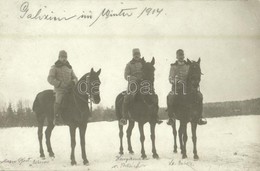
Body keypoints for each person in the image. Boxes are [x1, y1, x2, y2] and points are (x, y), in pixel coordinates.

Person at [119, 48, 162, 125]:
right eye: (135, 54)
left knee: (154, 96)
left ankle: (155, 116)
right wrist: (134, 78)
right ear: (133, 55)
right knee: (127, 97)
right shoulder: (129, 65)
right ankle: (124, 117)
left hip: (144, 84)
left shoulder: (143, 63)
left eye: (138, 54)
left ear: (140, 55)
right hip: (133, 85)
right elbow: (126, 76)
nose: (137, 56)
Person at [167, 49, 207, 125]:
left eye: (182, 55)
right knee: (170, 97)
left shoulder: (188, 65)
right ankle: (171, 117)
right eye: (179, 55)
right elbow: (170, 78)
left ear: (183, 56)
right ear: (177, 56)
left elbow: (192, 74)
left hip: (188, 87)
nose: (181, 57)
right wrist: (176, 82)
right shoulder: (173, 66)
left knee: (199, 96)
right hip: (177, 87)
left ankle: (200, 116)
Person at [47, 50, 78, 125]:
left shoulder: (69, 68)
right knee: (59, 100)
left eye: (65, 57)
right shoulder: (54, 67)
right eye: (62, 57)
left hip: (70, 89)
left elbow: (75, 78)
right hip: (60, 90)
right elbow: (50, 79)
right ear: (59, 57)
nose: (64, 59)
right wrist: (60, 84)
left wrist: (73, 82)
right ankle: (56, 118)